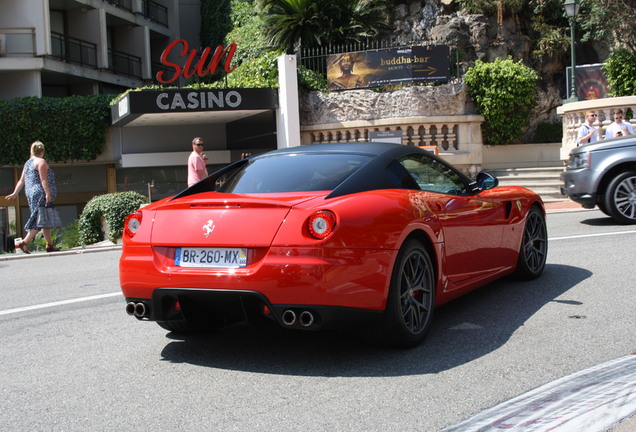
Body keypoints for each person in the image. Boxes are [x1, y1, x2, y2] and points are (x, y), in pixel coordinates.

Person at [4, 141, 60, 254]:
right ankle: (25, 242)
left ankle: (49, 245)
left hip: (30, 193)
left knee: (44, 218)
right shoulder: (41, 162)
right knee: (40, 219)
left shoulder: (28, 163)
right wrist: (48, 193)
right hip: (40, 193)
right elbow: (43, 179)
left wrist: (15, 193)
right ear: (42, 151)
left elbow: (21, 180)